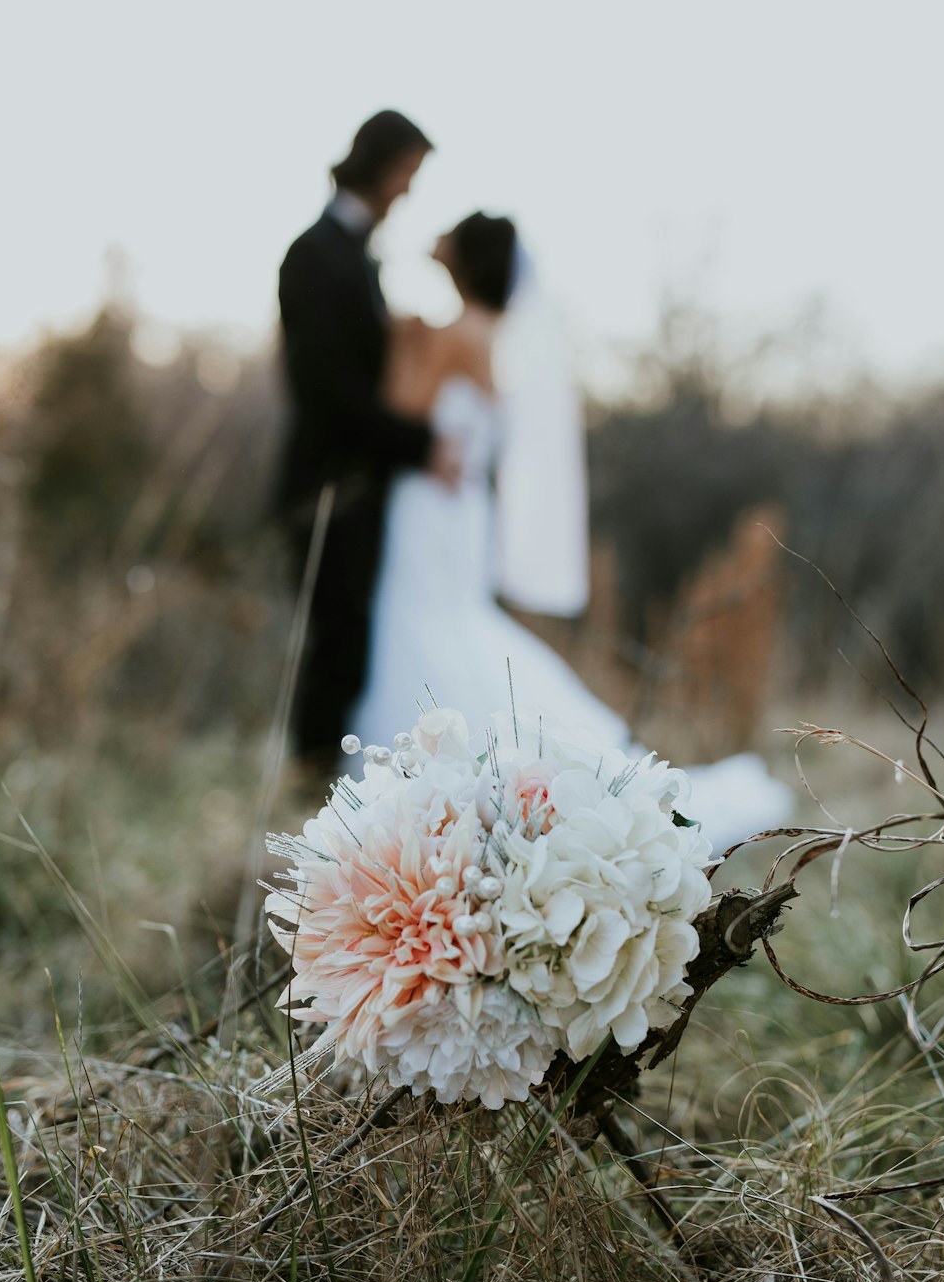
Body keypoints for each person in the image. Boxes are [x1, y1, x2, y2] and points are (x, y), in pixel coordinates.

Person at [349, 212, 793, 855]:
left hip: (428, 503)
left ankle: (425, 779)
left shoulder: (454, 333)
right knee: (443, 620)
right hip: (456, 506)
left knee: (422, 619)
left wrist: (404, 340)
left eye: (449, 236)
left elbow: (402, 409)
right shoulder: (494, 332)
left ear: (466, 260)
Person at [275, 110, 457, 768]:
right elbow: (325, 388)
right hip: (328, 489)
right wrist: (418, 442)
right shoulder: (314, 255)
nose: (407, 191)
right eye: (407, 173)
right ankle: (310, 782)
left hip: (362, 487)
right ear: (379, 166)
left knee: (350, 643)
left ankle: (323, 781)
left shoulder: (355, 257)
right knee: (335, 644)